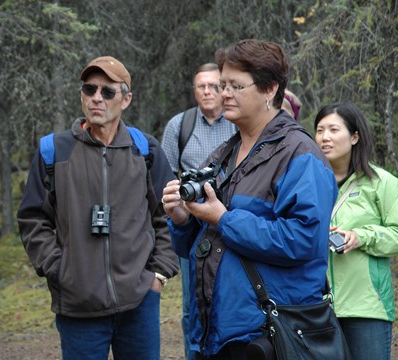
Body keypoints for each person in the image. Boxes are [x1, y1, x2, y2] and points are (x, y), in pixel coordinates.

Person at [161, 39, 337, 359]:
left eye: (235, 86)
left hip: (269, 335)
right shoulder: (224, 154)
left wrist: (224, 219)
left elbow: (305, 239)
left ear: (270, 89)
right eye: (222, 84)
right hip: (218, 333)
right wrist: (183, 219)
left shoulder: (300, 155)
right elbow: (196, 245)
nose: (223, 93)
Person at [17, 55, 179, 360]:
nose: (96, 99)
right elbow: (32, 219)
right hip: (78, 307)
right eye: (89, 89)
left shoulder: (144, 149)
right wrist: (59, 269)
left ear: (126, 99)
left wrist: (158, 274)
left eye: (108, 92)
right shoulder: (54, 151)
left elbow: (167, 215)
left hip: (139, 302)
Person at [160, 62, 236, 360]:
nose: (207, 91)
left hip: (229, 221)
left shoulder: (236, 122)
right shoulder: (180, 125)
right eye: (201, 86)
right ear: (194, 91)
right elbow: (165, 175)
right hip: (191, 228)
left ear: (223, 89)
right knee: (193, 304)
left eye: (214, 86)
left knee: (231, 296)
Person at [314, 102, 398, 360]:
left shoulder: (381, 183)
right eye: (319, 130)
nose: (325, 137)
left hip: (366, 308)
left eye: (333, 129)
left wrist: (362, 236)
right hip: (315, 307)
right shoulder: (309, 185)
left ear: (354, 136)